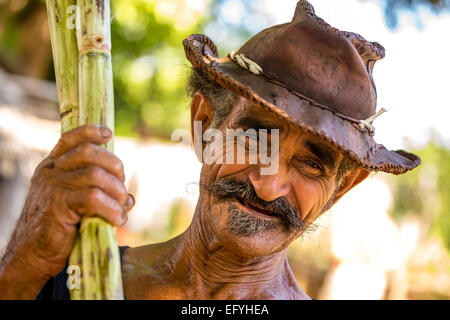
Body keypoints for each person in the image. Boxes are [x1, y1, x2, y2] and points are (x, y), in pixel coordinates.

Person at [0, 0, 420, 299]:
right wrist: (24, 264)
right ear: (204, 124)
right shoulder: (77, 281)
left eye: (312, 164)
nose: (269, 185)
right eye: (255, 138)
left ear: (342, 189)